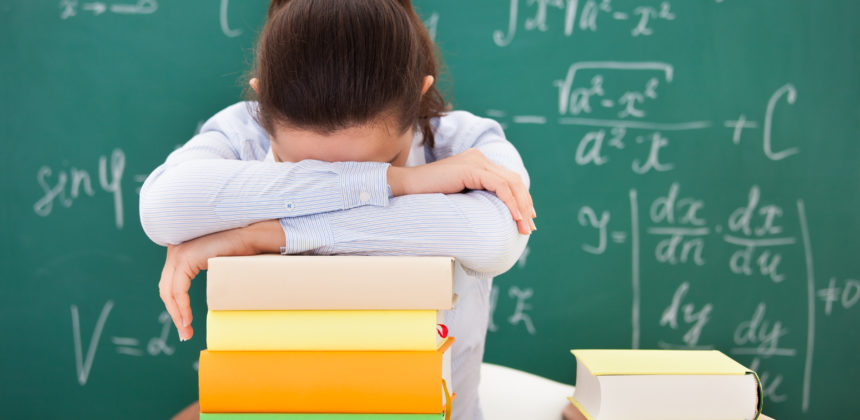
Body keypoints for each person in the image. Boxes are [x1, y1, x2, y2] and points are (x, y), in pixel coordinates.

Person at [139, 1, 536, 419]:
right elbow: (163, 208)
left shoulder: (465, 144)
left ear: (418, 99)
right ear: (262, 106)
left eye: (381, 162)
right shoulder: (242, 133)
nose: (339, 178)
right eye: (303, 170)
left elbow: (492, 239)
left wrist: (274, 234)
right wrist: (394, 181)